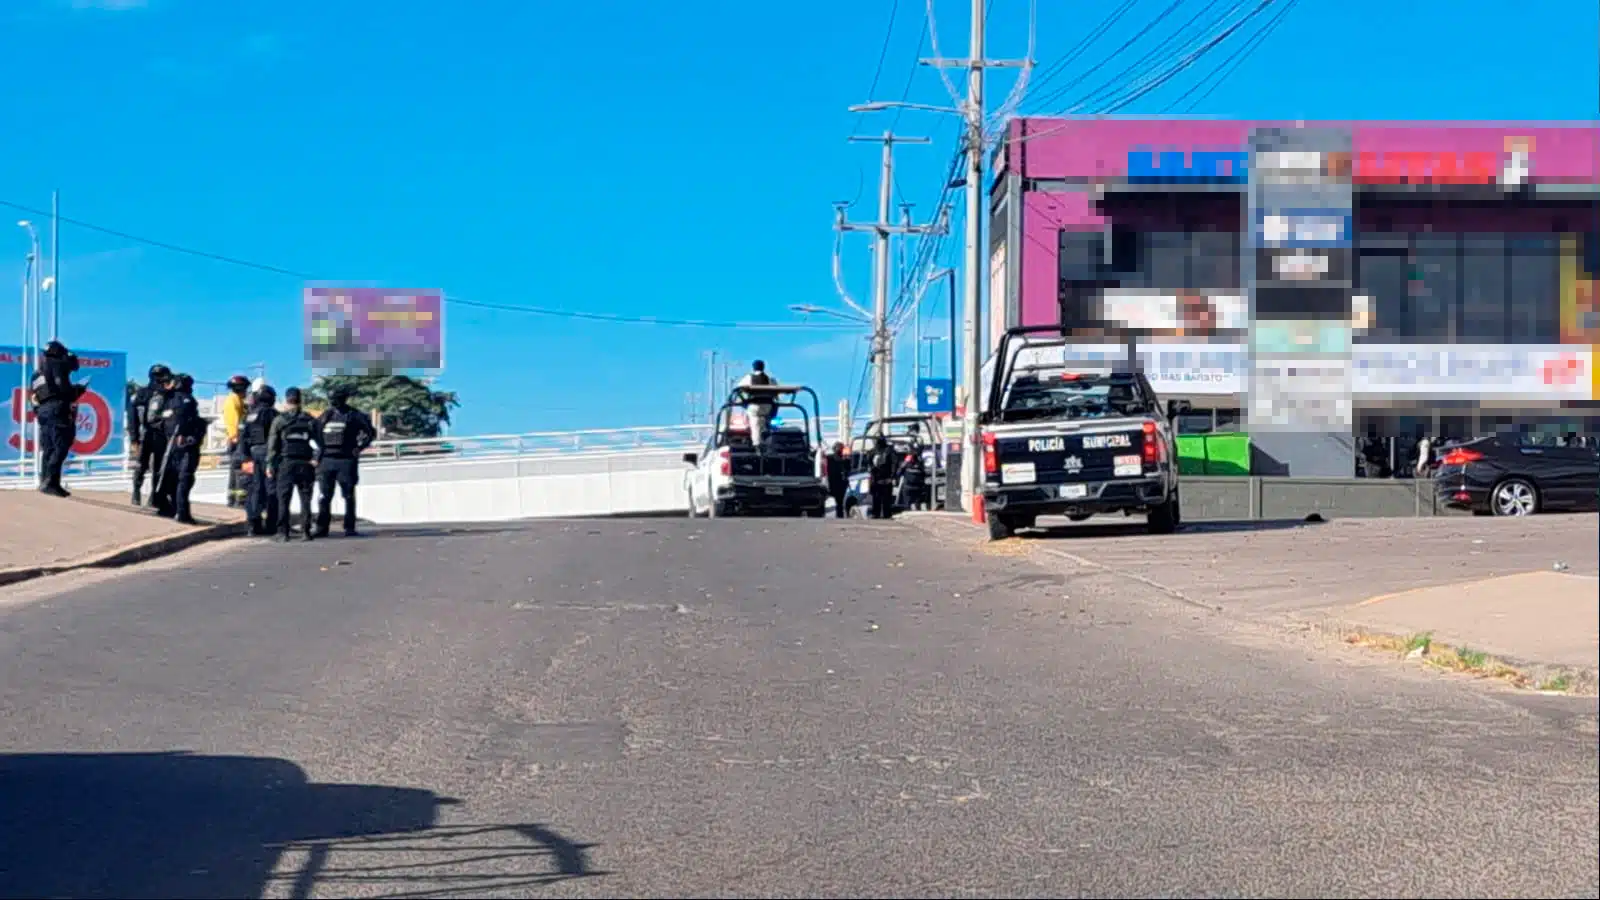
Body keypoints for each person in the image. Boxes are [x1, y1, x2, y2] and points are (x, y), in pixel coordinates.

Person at [314, 385, 376, 537]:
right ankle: (322, 528)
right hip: (327, 460)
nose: (334, 402)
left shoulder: (354, 415)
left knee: (348, 495)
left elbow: (370, 433)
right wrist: (319, 451)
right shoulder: (325, 415)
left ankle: (349, 527)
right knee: (324, 495)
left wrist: (359, 448)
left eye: (337, 398)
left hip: (346, 460)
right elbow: (315, 432)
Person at [30, 341, 84, 498]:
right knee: (61, 445)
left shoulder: (36, 374)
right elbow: (63, 388)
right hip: (56, 408)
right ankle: (50, 482)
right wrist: (77, 391)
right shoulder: (56, 365)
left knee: (49, 448)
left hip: (42, 411)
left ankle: (48, 482)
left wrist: (38, 410)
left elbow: (33, 396)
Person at [267, 386, 319, 542]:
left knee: (283, 499)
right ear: (300, 399)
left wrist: (270, 464)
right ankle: (306, 532)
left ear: (287, 400)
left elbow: (272, 445)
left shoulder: (279, 420)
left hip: (286, 463)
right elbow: (319, 442)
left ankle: (283, 533)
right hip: (306, 463)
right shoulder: (309, 419)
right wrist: (316, 459)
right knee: (305, 498)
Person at [154, 373, 206, 524]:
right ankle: (182, 513)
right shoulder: (187, 400)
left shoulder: (167, 400)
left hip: (170, 444)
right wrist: (186, 434)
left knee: (171, 478)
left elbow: (161, 420)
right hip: (184, 445)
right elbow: (184, 420)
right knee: (185, 479)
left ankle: (169, 507)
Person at [128, 364, 173, 506]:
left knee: (157, 467)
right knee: (142, 465)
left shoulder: (167, 394)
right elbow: (133, 416)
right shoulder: (143, 393)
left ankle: (153, 497)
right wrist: (134, 437)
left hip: (159, 435)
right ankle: (136, 493)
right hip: (146, 434)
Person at [239, 384, 280, 536]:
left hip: (250, 455)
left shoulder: (248, 415)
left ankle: (253, 525)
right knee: (271, 489)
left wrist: (245, 458)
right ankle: (271, 525)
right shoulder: (273, 414)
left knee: (253, 490)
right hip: (268, 455)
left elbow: (242, 438)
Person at [222, 375, 251, 508]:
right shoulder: (233, 401)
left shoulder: (238, 400)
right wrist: (236, 438)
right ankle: (240, 500)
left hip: (236, 439)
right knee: (240, 471)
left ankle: (232, 498)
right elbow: (234, 422)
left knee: (235, 471)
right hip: (237, 439)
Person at [737, 360, 777, 450]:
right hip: (767, 406)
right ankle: (767, 429)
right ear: (763, 367)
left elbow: (739, 388)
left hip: (755, 405)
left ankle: (757, 444)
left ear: (753, 368)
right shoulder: (770, 378)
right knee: (768, 417)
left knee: (754, 422)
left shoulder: (749, 377)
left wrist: (743, 400)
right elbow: (776, 391)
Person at [867, 435, 897, 520]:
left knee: (885, 499)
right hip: (877, 478)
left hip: (885, 478)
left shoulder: (889, 451)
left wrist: (892, 476)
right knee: (877, 498)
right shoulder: (873, 451)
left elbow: (894, 464)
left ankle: (884, 514)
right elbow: (869, 463)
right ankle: (877, 514)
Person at [823, 441, 850, 518]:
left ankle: (839, 516)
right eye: (838, 448)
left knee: (839, 503)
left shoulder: (845, 459)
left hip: (840, 483)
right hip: (831, 482)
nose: (840, 449)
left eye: (841, 448)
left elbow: (848, 470)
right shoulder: (829, 458)